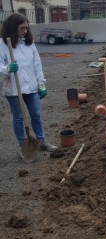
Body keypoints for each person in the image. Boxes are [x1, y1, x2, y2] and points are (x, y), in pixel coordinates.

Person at [0, 13, 57, 154]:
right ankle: (23, 146)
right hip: (13, 87)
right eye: (22, 28)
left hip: (30, 85)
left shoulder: (29, 42)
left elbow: (37, 64)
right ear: (13, 28)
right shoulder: (2, 44)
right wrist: (7, 68)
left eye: (27, 27)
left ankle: (41, 140)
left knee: (36, 114)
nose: (25, 31)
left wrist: (41, 83)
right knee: (18, 117)